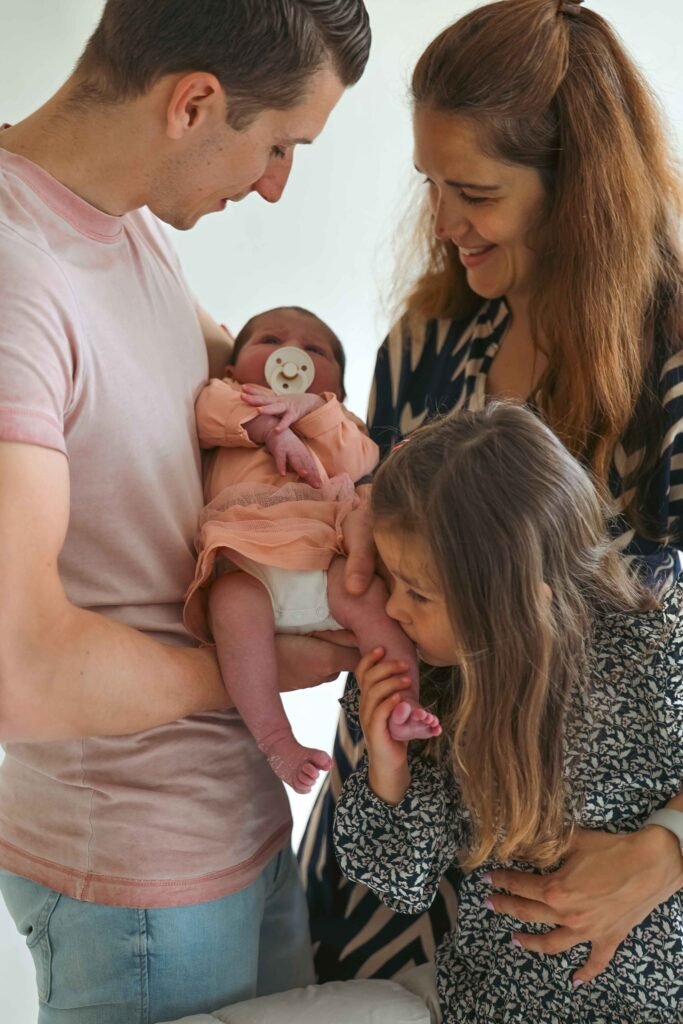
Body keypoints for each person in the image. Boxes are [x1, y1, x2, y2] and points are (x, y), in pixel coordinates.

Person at [0, 1, 371, 1021]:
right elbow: (19, 671)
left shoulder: (123, 221)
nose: (275, 182)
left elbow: (269, 395)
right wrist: (262, 673)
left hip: (240, 828)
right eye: (279, 145)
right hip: (136, 886)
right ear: (195, 104)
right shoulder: (14, 279)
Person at [301, 0, 683, 987]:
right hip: (402, 846)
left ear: (577, 189)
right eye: (429, 183)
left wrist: (662, 853)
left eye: (471, 190)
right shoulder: (425, 350)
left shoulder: (668, 372)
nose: (440, 222)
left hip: (612, 906)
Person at [333, 402, 683, 1023]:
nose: (394, 608)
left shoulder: (654, 638)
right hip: (498, 1003)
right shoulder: (428, 690)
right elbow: (399, 884)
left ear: (516, 603)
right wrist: (388, 769)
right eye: (391, 579)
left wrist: (668, 845)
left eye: (418, 592)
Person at [183, 306, 437, 793]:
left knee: (367, 601)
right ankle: (277, 739)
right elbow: (207, 413)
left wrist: (312, 413)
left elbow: (360, 458)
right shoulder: (228, 397)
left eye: (314, 351)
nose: (289, 354)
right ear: (234, 369)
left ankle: (401, 704)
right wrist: (265, 426)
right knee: (231, 608)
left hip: (325, 562)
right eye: (269, 339)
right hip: (246, 562)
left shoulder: (338, 422)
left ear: (337, 388)